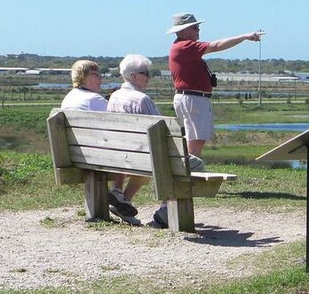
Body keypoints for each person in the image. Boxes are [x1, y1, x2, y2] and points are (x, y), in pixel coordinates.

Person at [166, 12, 264, 169]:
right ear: (183, 31)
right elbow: (216, 46)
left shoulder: (180, 47)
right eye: (195, 27)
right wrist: (244, 37)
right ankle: (192, 173)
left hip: (189, 98)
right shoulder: (186, 46)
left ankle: (189, 172)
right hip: (194, 99)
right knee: (195, 143)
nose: (198, 30)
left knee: (192, 139)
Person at [106, 54, 167, 227]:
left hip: (118, 153)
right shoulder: (142, 99)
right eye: (145, 73)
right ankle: (165, 209)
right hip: (139, 155)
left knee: (136, 158)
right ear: (133, 76)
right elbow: (161, 129)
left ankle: (120, 197)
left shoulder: (114, 96)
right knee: (161, 163)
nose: (149, 77)